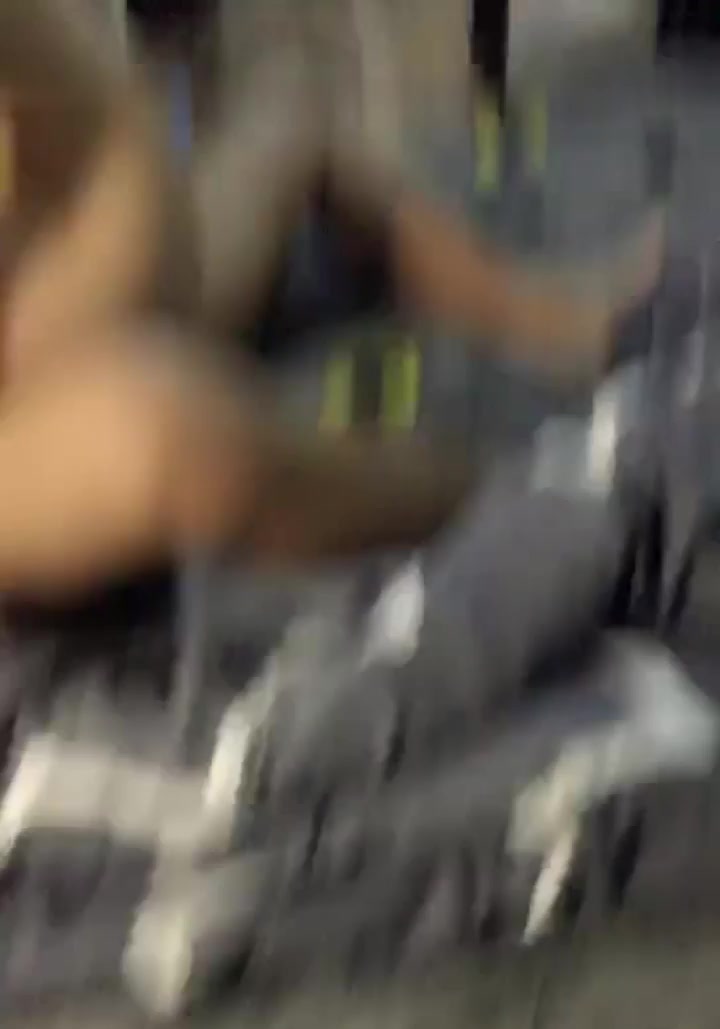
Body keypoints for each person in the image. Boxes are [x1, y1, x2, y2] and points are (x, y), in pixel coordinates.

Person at [0, 0, 665, 601]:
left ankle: (541, 317)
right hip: (51, 390)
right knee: (172, 440)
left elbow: (118, 155)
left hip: (127, 286)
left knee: (294, 114)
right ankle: (504, 495)